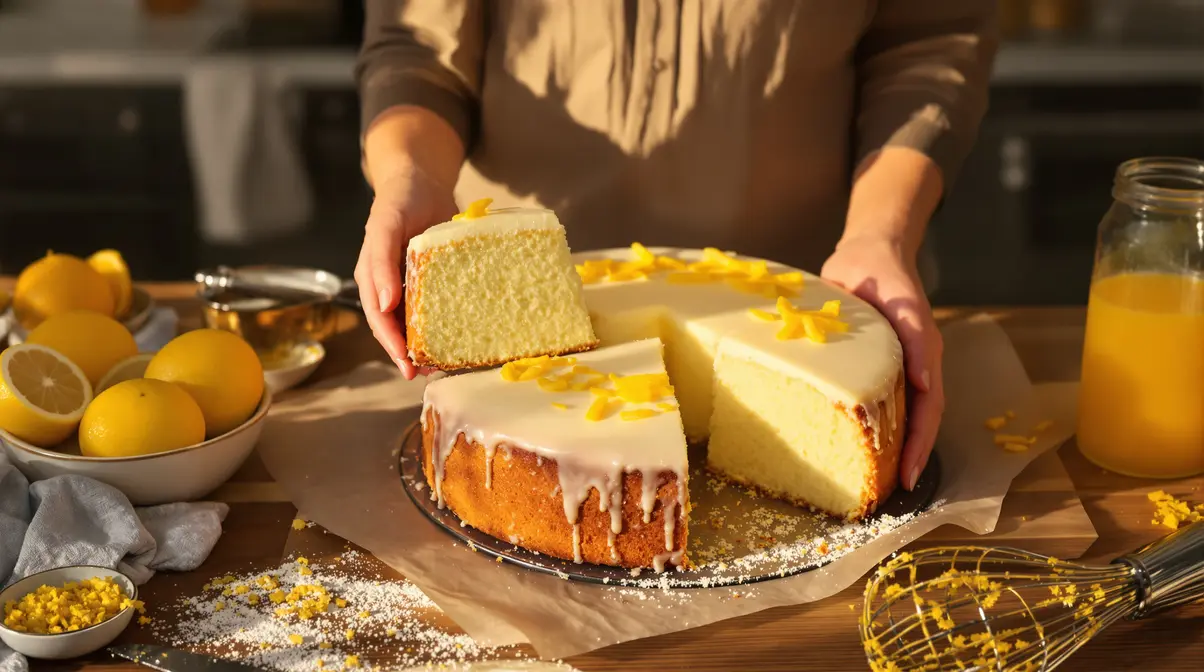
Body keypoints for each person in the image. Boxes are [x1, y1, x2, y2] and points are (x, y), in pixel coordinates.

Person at [353, 1, 999, 491]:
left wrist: (880, 232)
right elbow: (418, 52)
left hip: (823, 282)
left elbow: (927, 43)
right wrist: (413, 176)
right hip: (515, 313)